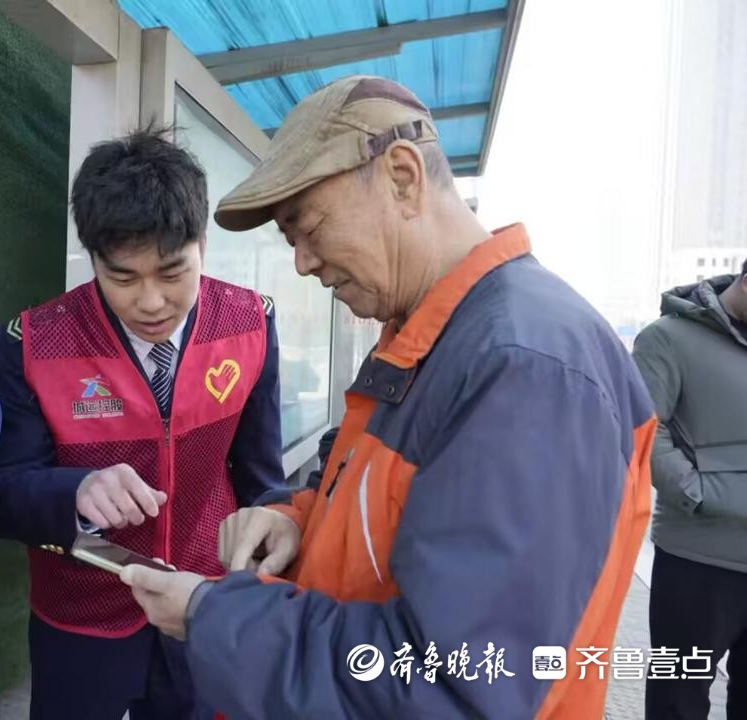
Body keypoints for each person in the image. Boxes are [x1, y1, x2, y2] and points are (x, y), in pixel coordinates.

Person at [120, 75, 656, 719]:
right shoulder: (430, 337)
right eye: (291, 242)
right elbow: (372, 498)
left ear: (403, 176)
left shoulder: (526, 367)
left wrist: (215, 614)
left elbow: (448, 686)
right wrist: (295, 519)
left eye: (308, 227)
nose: (303, 263)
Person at [0, 128, 285, 720]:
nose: (150, 302)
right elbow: (2, 493)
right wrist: (75, 491)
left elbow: (261, 480)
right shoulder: (34, 344)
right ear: (93, 257)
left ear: (202, 245)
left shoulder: (249, 325)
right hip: (80, 620)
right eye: (123, 278)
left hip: (202, 604)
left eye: (172, 272)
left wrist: (261, 563)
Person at [632, 260, 747, 719]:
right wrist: (694, 491)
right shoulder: (668, 338)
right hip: (696, 559)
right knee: (677, 700)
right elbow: (642, 427)